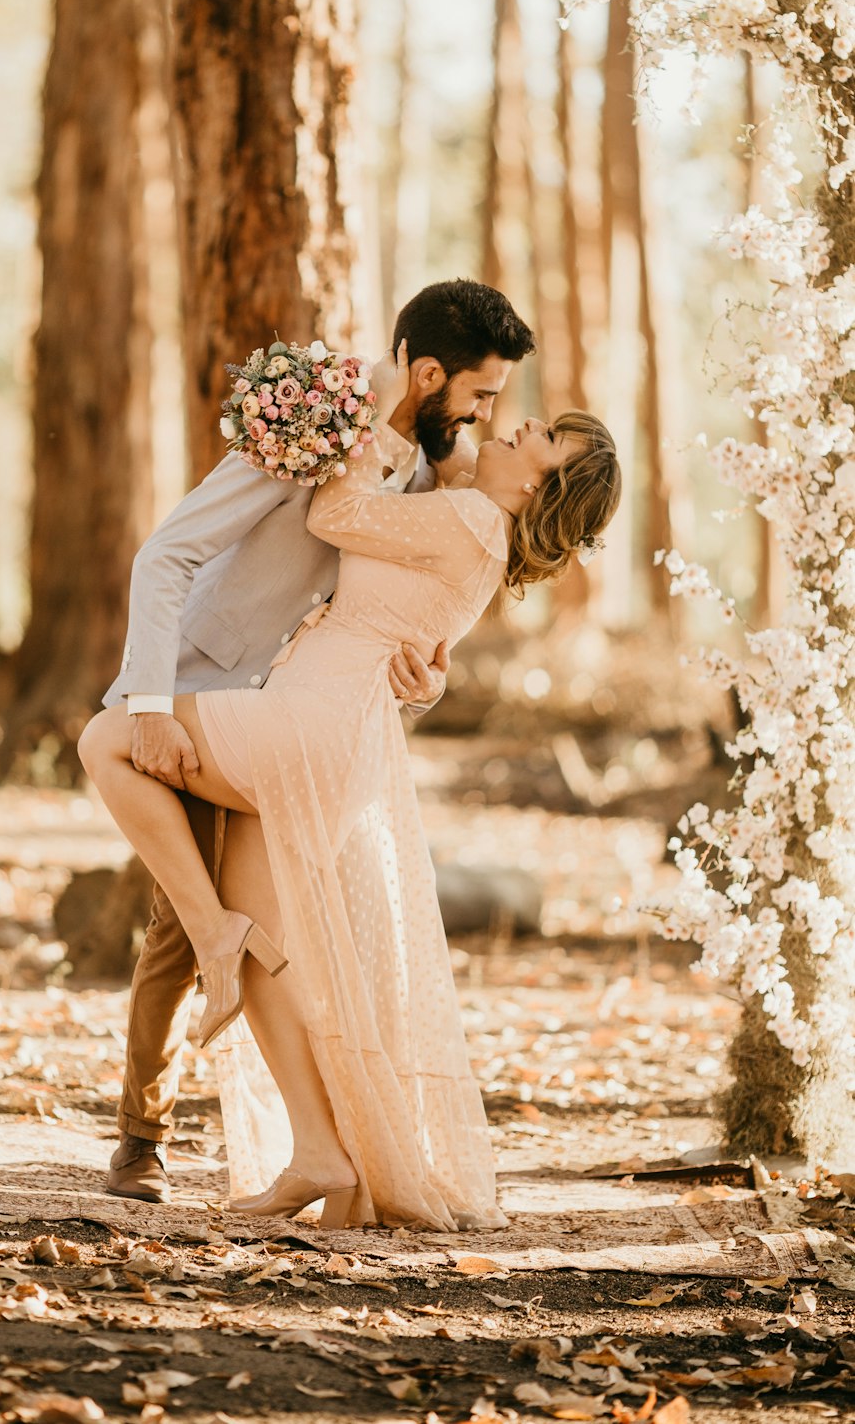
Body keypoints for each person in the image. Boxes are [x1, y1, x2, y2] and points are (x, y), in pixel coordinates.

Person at [80, 344, 621, 1231]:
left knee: (109, 738)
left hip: (308, 730)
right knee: (267, 948)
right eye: (513, 409)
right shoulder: (468, 520)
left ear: (541, 489)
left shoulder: (472, 522)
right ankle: (322, 1150)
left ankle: (211, 939)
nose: (517, 424)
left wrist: (350, 428)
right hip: (323, 734)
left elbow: (334, 514)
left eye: (542, 439)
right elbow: (408, 621)